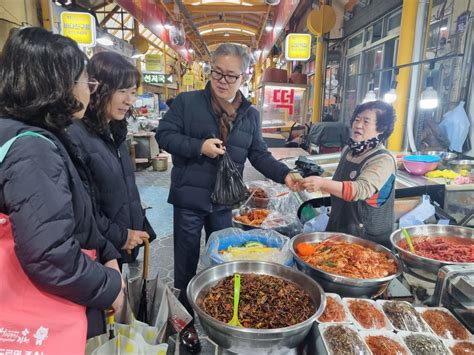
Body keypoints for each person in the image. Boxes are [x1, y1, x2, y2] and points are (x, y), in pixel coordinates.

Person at [155, 43, 298, 352]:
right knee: (185, 264)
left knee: (224, 260)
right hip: (190, 199)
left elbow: (258, 153)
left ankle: (224, 316)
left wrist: (284, 174)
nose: (221, 80)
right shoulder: (187, 102)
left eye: (230, 75)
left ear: (244, 76)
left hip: (225, 202)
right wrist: (198, 147)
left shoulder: (250, 114)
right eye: (217, 72)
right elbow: (163, 135)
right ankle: (186, 324)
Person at [0, 27, 123, 339]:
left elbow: (71, 214)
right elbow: (49, 254)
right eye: (86, 81)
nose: (90, 90)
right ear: (58, 86)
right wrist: (110, 286)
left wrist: (107, 249)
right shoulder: (32, 149)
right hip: (53, 309)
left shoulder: (28, 133)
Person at [64, 51, 154, 265]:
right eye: (122, 91)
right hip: (100, 253)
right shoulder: (75, 135)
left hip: (125, 243)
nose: (128, 100)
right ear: (97, 88)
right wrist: (120, 236)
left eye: (132, 92)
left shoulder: (115, 130)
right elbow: (82, 208)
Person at [301, 100, 397, 247]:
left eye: (366, 122)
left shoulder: (383, 159)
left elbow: (361, 189)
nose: (358, 125)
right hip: (339, 224)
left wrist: (322, 184)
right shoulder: (349, 149)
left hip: (366, 238)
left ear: (382, 128)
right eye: (357, 120)